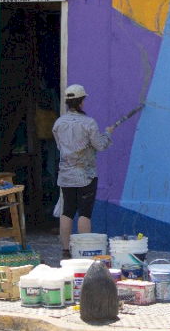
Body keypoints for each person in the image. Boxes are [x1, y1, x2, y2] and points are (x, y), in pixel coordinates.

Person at [53, 84, 114, 259]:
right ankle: (83, 252)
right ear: (81, 101)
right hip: (86, 176)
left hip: (65, 175)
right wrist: (108, 134)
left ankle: (66, 250)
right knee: (85, 213)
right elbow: (100, 145)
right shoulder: (89, 123)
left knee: (67, 211)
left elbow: (60, 146)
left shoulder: (58, 124)